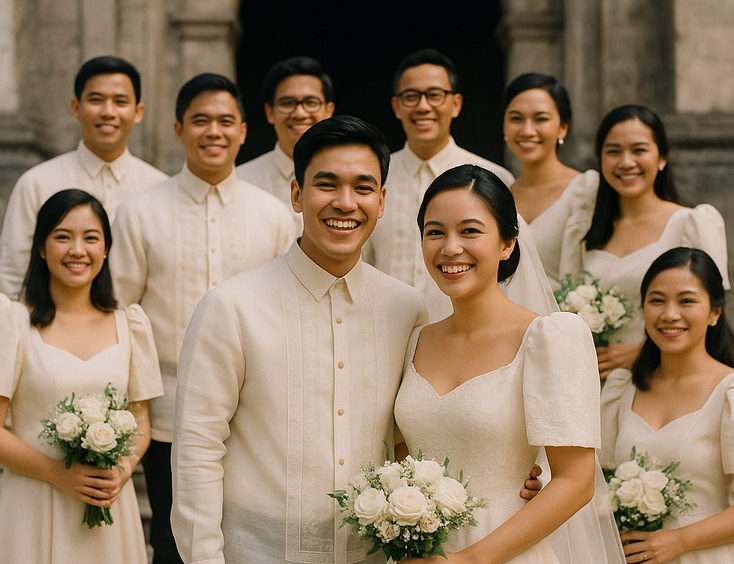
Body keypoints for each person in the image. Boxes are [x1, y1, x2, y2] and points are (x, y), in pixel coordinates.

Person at [170, 115, 430, 564]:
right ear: (296, 194)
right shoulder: (231, 306)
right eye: (326, 184)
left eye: (363, 188)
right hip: (255, 551)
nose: (345, 202)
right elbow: (197, 449)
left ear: (383, 201)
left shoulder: (407, 309)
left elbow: (419, 434)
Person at [394, 164, 624, 564]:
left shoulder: (550, 337)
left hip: (505, 550)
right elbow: (402, 452)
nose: (450, 248)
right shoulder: (416, 338)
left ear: (507, 243)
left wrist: (467, 561)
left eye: (470, 231)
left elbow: (576, 481)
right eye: (435, 232)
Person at [110, 73, 295, 564]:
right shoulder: (138, 213)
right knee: (172, 541)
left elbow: (285, 310)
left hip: (256, 411)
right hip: (165, 412)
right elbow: (121, 316)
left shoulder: (275, 215)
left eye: (225, 121)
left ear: (242, 131)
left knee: (250, 533)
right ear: (178, 130)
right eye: (200, 121)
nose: (213, 131)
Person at [0, 189, 163, 564]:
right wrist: (59, 474)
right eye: (62, 236)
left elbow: (140, 418)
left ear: (105, 249)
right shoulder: (13, 323)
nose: (77, 250)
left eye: (91, 238)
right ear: (41, 248)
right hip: (33, 504)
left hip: (106, 507)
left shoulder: (130, 324)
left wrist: (119, 471)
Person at [366, 48, 556, 321]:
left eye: (434, 95)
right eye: (411, 96)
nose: (423, 106)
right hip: (384, 329)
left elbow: (509, 273)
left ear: (455, 104)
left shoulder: (495, 177)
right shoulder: (373, 178)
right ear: (396, 106)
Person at [559, 105, 729, 379]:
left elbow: (711, 317)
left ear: (662, 157)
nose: (626, 162)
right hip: (595, 382)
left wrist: (641, 352)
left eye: (639, 150)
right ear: (600, 159)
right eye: (613, 151)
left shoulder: (691, 224)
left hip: (660, 377)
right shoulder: (584, 231)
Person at [601, 247, 734, 564]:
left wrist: (680, 540)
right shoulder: (622, 388)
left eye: (686, 301)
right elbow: (597, 481)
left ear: (715, 312)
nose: (669, 314)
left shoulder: (729, 392)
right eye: (657, 300)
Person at [0, 56, 168, 299]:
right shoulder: (36, 183)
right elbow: (12, 275)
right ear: (76, 107)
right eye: (96, 100)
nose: (108, 112)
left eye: (120, 101)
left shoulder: (160, 187)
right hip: (50, 331)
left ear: (138, 112)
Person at [501, 72, 599, 287]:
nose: (527, 130)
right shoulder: (499, 197)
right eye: (516, 119)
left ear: (563, 127)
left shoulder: (586, 190)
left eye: (541, 119)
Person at [236, 56, 335, 229]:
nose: (299, 113)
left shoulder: (354, 179)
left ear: (329, 110)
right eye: (287, 103)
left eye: (310, 102)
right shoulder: (240, 181)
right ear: (269, 112)